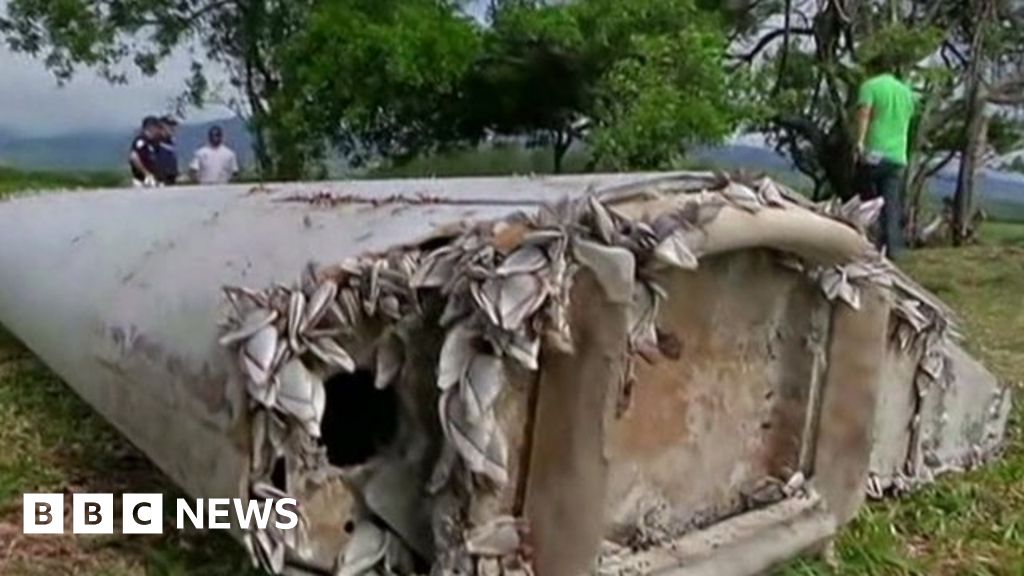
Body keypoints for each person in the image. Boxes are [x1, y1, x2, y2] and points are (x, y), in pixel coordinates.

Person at [855, 54, 915, 257]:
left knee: (864, 200)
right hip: (897, 155)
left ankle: (861, 243)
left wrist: (859, 142)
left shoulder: (869, 87)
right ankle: (892, 251)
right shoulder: (906, 93)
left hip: (874, 152)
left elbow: (864, 114)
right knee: (891, 205)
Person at [129, 116, 162, 188]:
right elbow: (134, 157)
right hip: (142, 181)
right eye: (156, 127)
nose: (158, 130)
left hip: (151, 180)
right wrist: (146, 173)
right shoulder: (141, 141)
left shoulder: (153, 143)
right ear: (150, 127)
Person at [155, 115, 180, 185]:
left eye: (174, 126)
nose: (173, 128)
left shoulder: (171, 142)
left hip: (171, 181)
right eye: (170, 125)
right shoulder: (155, 142)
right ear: (161, 126)